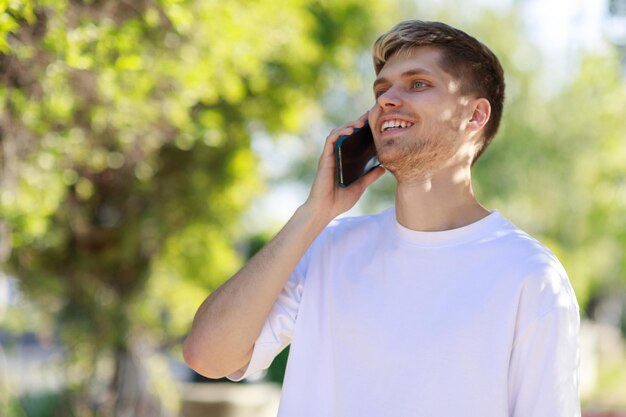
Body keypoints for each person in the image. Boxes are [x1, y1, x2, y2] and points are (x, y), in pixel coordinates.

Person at [183, 20, 580, 417]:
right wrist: (313, 214)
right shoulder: (328, 245)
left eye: (418, 84)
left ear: (474, 116)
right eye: (381, 89)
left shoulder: (529, 275)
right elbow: (208, 356)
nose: (387, 99)